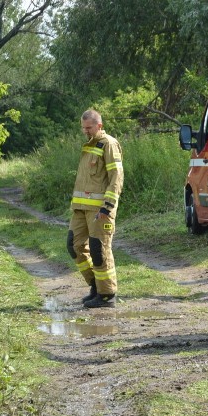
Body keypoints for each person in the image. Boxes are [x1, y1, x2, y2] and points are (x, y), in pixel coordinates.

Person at [68, 109, 124, 308]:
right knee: (74, 246)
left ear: (99, 125)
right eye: (83, 128)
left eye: (89, 128)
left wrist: (107, 207)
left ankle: (107, 295)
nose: (86, 131)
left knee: (99, 250)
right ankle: (95, 286)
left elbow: (116, 177)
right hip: (80, 209)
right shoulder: (88, 145)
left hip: (100, 210)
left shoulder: (108, 144)